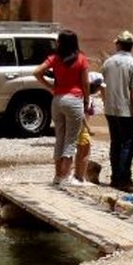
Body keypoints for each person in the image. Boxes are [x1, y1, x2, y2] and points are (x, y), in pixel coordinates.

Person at [33, 29, 90, 187]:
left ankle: (57, 175)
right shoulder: (81, 59)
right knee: (71, 140)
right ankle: (65, 176)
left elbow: (37, 72)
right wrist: (87, 100)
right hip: (74, 99)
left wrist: (49, 87)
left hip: (57, 100)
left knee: (60, 138)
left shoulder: (55, 58)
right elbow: (85, 83)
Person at [101, 29, 133, 191]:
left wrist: (106, 102)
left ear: (119, 44)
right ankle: (124, 178)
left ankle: (114, 177)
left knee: (115, 142)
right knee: (127, 143)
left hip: (110, 109)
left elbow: (102, 86)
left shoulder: (108, 63)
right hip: (126, 110)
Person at [75, 72, 105, 184]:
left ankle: (77, 176)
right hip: (83, 128)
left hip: (80, 128)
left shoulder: (84, 95)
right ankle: (81, 178)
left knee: (80, 152)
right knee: (85, 153)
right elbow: (81, 112)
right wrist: (88, 128)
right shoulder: (84, 97)